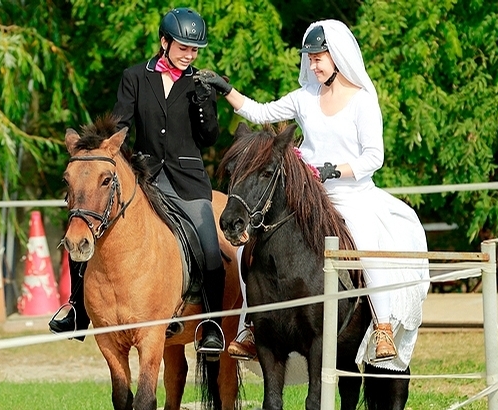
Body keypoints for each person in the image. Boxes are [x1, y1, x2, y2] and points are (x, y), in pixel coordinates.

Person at [196, 19, 430, 370]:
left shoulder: (362, 101)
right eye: (310, 59)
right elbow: (260, 113)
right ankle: (249, 326)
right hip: (305, 194)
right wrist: (224, 89)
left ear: (337, 57)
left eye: (319, 58)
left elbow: (374, 157)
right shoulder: (305, 98)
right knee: (249, 243)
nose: (313, 65)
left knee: (366, 242)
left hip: (352, 194)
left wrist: (336, 170)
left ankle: (382, 325)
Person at [50, 7, 227, 356]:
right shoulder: (134, 77)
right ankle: (77, 309)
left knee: (209, 246)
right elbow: (121, 124)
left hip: (187, 180)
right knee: (85, 224)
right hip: (146, 177)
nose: (189, 55)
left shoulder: (198, 84)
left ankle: (212, 323)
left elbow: (209, 137)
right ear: (164, 42)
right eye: (183, 48)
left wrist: (205, 102)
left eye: (194, 50)